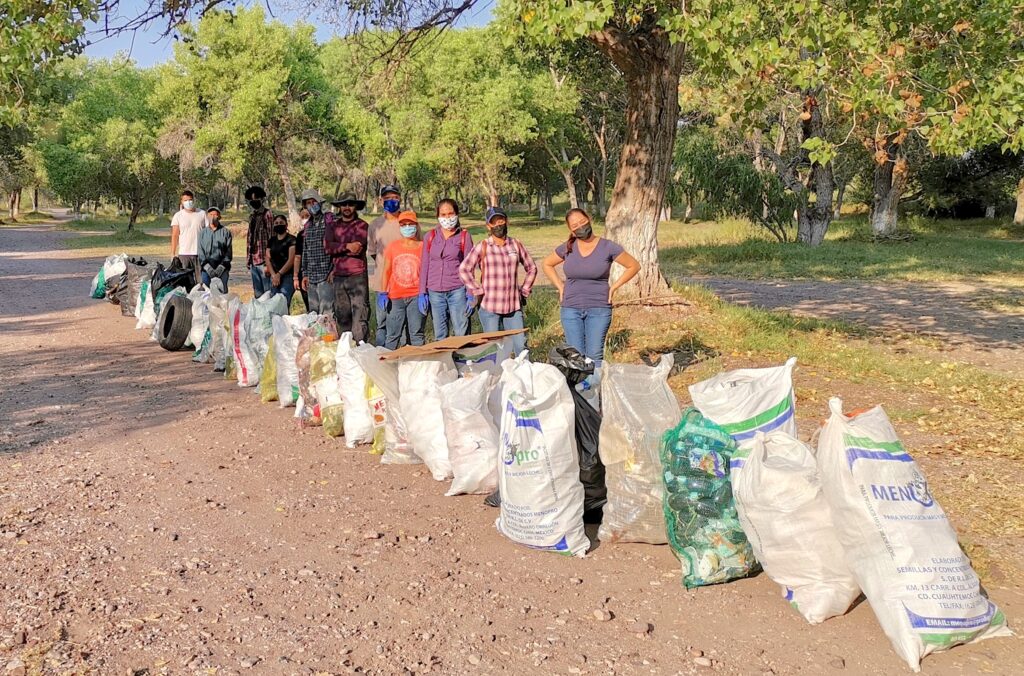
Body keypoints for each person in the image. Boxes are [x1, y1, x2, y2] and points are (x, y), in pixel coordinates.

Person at [542, 208, 641, 367]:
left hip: (599, 309)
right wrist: (560, 287)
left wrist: (614, 287)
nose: (580, 226)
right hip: (570, 309)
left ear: (589, 219)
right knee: (576, 356)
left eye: (582, 221)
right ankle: (579, 391)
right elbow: (547, 264)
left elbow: (634, 266)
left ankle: (595, 390)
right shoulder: (568, 247)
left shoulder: (608, 247)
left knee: (594, 356)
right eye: (575, 225)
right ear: (571, 230)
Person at [458, 206, 537, 356]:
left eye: (500, 221)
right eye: (493, 223)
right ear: (488, 226)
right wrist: (477, 290)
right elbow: (464, 269)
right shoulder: (483, 246)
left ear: (506, 221)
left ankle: (524, 376)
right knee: (493, 349)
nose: (498, 225)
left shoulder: (516, 245)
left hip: (513, 307)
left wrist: (525, 290)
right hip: (490, 307)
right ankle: (497, 377)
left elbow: (531, 267)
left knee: (521, 346)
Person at [419, 198, 473, 340]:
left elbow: (469, 267)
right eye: (443, 214)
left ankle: (463, 361)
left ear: (456, 214)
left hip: (457, 290)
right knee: (440, 334)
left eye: (450, 213)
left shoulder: (464, 237)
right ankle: (445, 361)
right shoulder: (430, 237)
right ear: (438, 216)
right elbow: (425, 264)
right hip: (435, 292)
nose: (447, 218)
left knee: (461, 331)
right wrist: (422, 292)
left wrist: (470, 292)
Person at [324, 192, 370, 342]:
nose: (347, 207)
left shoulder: (362, 225)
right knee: (342, 317)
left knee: (359, 318)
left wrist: (338, 247)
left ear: (355, 206)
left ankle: (361, 350)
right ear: (339, 207)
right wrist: (347, 246)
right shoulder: (332, 226)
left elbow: (357, 249)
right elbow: (328, 248)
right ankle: (346, 351)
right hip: (338, 277)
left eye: (350, 204)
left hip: (357, 277)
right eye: (343, 204)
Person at [380, 210, 426, 349]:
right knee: (392, 335)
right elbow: (386, 271)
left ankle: (417, 366)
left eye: (410, 224)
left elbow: (426, 272)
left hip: (416, 297)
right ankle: (388, 366)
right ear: (400, 227)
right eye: (404, 224)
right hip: (396, 298)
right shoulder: (393, 246)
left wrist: (424, 293)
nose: (407, 227)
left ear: (416, 226)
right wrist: (383, 292)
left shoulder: (423, 247)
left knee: (416, 334)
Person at [367, 185, 403, 345]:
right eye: (387, 198)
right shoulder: (375, 225)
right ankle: (381, 357)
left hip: (405, 282)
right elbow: (373, 252)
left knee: (402, 323)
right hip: (382, 282)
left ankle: (402, 359)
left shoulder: (408, 222)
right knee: (382, 323)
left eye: (394, 198)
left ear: (400, 199)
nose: (391, 201)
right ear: (381, 201)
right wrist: (385, 266)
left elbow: (418, 248)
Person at [298, 189, 334, 315]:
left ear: (319, 202)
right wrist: (305, 274)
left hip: (326, 275)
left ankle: (329, 336)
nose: (311, 205)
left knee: (327, 313)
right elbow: (305, 252)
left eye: (313, 202)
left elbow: (336, 246)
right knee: (313, 313)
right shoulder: (308, 226)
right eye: (308, 203)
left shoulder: (330, 220)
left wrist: (334, 269)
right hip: (311, 277)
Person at [170, 189, 206, 287]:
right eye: (185, 200)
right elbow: (175, 235)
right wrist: (173, 253)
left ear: (193, 200)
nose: (188, 202)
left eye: (190, 200)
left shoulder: (202, 214)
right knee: (185, 282)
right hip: (184, 254)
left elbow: (207, 233)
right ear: (181, 202)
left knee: (200, 283)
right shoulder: (178, 216)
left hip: (199, 254)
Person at [245, 186, 274, 297]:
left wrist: (269, 263)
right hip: (253, 261)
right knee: (258, 295)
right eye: (251, 200)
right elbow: (250, 239)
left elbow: (271, 238)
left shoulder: (268, 215)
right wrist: (248, 260)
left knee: (268, 294)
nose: (253, 202)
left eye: (256, 199)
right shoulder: (252, 216)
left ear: (262, 199)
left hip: (264, 261)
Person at [198, 206, 232, 291]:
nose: (212, 217)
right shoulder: (202, 233)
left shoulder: (226, 232)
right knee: (206, 293)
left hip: (222, 268)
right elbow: (200, 251)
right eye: (210, 214)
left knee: (222, 292)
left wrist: (222, 266)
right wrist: (206, 266)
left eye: (215, 214)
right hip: (206, 269)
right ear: (207, 216)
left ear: (219, 216)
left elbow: (228, 251)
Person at [266, 213, 297, 302]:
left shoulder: (292, 239)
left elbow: (291, 260)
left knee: (283, 303)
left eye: (281, 222)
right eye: (276, 223)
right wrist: (273, 275)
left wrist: (279, 274)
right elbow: (267, 258)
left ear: (286, 224)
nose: (278, 224)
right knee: (273, 304)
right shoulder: (271, 240)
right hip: (274, 276)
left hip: (287, 276)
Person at [294, 207, 310, 310]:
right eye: (302, 217)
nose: (305, 219)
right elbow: (297, 256)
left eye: (307, 216)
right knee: (308, 303)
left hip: (318, 272)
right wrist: (295, 277)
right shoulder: (300, 235)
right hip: (303, 272)